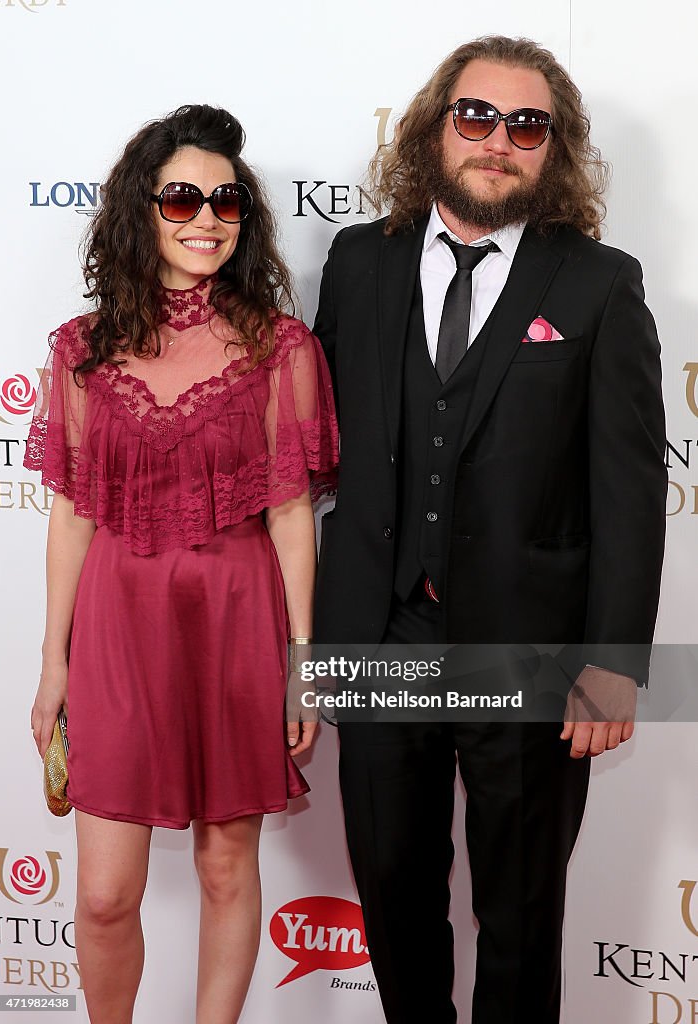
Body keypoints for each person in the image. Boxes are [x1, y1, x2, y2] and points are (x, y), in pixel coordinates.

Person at [313, 36, 666, 1024]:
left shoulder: (597, 284)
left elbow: (629, 489)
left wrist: (610, 662)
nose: (496, 141)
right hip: (380, 634)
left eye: (525, 125)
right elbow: (319, 448)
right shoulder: (356, 263)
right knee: (393, 899)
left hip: (533, 649)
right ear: (435, 129)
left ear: (552, 150)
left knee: (518, 917)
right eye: (475, 116)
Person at [25, 103, 338, 1024]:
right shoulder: (81, 351)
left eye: (226, 201)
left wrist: (302, 667)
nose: (206, 218)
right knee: (103, 894)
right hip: (117, 628)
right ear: (141, 210)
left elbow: (291, 517)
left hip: (239, 624)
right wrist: (54, 663)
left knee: (224, 865)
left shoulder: (283, 350)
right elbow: (73, 517)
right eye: (181, 198)